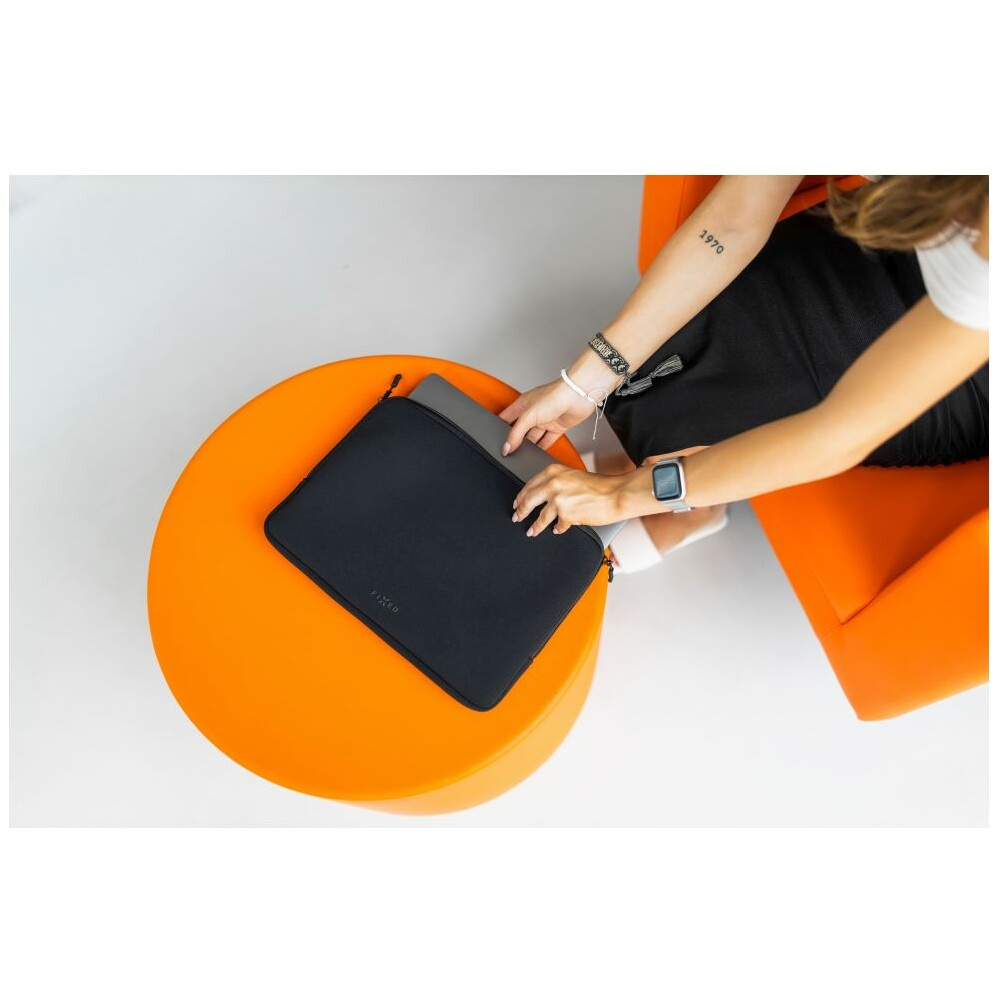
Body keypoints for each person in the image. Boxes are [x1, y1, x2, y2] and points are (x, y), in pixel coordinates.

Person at [499, 175, 989, 573]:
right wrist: (586, 379)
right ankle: (648, 464)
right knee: (696, 333)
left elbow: (839, 433)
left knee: (742, 405)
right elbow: (730, 227)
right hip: (911, 227)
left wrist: (621, 497)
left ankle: (684, 506)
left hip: (973, 364)